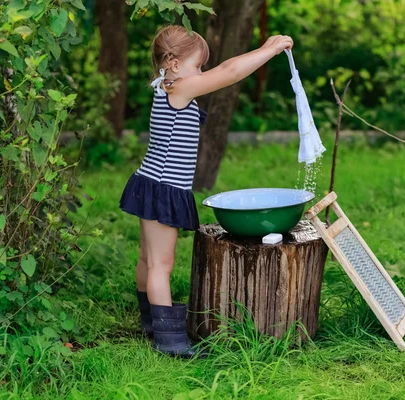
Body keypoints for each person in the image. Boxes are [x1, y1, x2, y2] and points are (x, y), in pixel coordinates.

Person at [119, 25, 293, 358]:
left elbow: (221, 70)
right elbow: (229, 72)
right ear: (173, 64)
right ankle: (169, 341)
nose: (200, 73)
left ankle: (150, 322)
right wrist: (269, 50)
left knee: (148, 259)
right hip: (163, 187)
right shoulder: (179, 89)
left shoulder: (164, 85)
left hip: (150, 182)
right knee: (160, 265)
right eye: (197, 65)